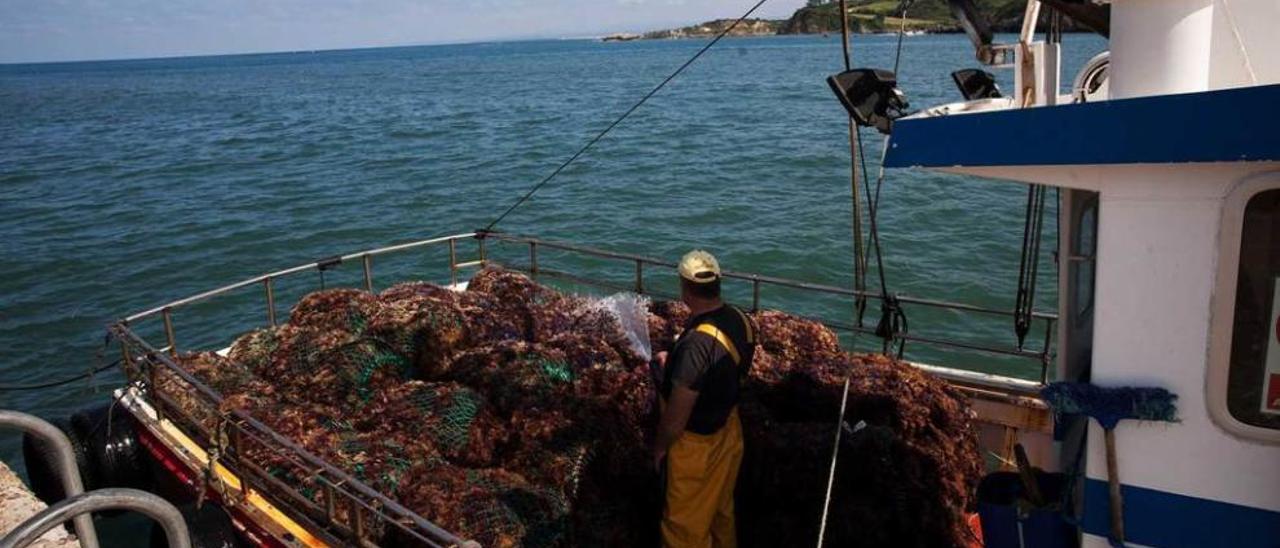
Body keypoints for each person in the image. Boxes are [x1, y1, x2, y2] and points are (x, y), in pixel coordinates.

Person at [652, 249, 755, 548]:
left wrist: (659, 449)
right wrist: (673, 362)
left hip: (696, 447)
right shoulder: (739, 318)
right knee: (720, 510)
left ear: (685, 289)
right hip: (729, 430)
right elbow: (723, 370)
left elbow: (676, 418)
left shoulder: (696, 345)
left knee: (683, 528)